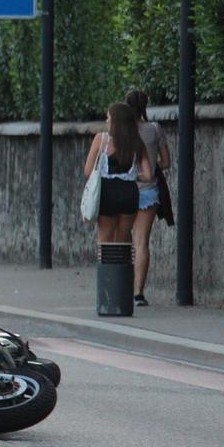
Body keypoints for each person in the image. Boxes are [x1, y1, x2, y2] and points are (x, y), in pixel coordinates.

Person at [125, 90, 171, 307]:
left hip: (124, 190)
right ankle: (138, 293)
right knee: (142, 241)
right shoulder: (154, 129)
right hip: (148, 190)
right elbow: (166, 162)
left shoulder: (120, 131)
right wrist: (151, 166)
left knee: (122, 241)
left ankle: (120, 287)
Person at [83, 102, 152, 246]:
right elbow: (149, 175)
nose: (106, 120)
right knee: (124, 238)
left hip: (107, 193)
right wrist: (134, 176)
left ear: (115, 120)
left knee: (105, 239)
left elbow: (88, 171)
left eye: (108, 117)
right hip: (129, 193)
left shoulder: (101, 139)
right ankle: (123, 267)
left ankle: (106, 268)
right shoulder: (136, 142)